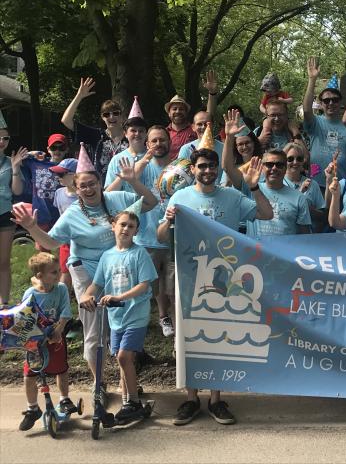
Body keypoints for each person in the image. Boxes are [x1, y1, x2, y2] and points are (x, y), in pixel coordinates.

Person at [11, 149, 156, 403]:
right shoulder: (72, 215)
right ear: (76, 190)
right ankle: (98, 385)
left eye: (92, 184)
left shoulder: (117, 198)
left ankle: (126, 384)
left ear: (100, 183)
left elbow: (151, 203)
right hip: (87, 274)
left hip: (118, 269)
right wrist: (32, 228)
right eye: (83, 186)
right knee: (94, 331)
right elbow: (52, 243)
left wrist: (133, 180)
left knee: (119, 325)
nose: (88, 189)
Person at [157, 148, 272, 426]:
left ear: (217, 169)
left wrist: (254, 186)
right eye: (202, 166)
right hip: (188, 278)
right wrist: (170, 220)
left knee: (219, 335)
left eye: (212, 166)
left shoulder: (232, 197)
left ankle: (216, 400)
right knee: (188, 336)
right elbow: (161, 237)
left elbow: (266, 214)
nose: (207, 170)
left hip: (224, 278)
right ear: (193, 169)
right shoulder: (181, 198)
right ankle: (191, 398)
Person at [79, 209, 157, 423]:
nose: (125, 229)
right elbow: (97, 283)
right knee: (121, 359)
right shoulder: (107, 256)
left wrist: (119, 296)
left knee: (124, 357)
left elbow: (144, 285)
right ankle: (127, 400)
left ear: (136, 231)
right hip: (116, 318)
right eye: (122, 224)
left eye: (131, 227)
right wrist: (87, 295)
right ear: (113, 226)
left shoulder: (139, 254)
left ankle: (133, 402)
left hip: (136, 314)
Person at [222, 114, 311, 237]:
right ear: (262, 167)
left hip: (284, 255)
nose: (274, 168)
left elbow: (305, 236)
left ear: (286, 168)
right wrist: (229, 137)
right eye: (269, 164)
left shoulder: (299, 198)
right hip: (255, 254)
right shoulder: (251, 188)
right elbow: (228, 168)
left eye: (279, 165)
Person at [18, 253, 76, 431]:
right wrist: (34, 337)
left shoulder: (61, 289)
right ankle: (32, 408)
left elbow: (66, 312)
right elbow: (24, 318)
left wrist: (58, 331)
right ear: (39, 276)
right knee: (30, 374)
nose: (58, 274)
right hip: (35, 341)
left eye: (59, 270)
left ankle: (64, 399)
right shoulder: (30, 294)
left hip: (55, 336)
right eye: (53, 272)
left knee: (61, 369)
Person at [129, 126, 175, 337]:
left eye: (162, 140)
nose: (159, 144)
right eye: (154, 141)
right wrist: (146, 157)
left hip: (174, 236)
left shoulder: (177, 167)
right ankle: (162, 316)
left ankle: (174, 318)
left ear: (170, 142)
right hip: (147, 235)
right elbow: (132, 177)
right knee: (154, 285)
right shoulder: (144, 167)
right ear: (147, 144)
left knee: (171, 284)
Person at [302, 57, 346, 186]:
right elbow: (306, 110)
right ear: (320, 103)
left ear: (340, 102)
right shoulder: (315, 123)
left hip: (340, 187)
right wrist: (312, 80)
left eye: (334, 100)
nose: (330, 103)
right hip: (314, 185)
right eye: (326, 100)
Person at [60, 78, 128, 180]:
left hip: (127, 189)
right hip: (100, 190)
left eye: (115, 113)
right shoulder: (96, 135)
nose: (111, 117)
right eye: (106, 114)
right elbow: (66, 120)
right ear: (102, 117)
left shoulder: (132, 136)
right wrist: (79, 96)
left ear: (122, 116)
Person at [11, 133, 71, 239]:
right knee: (42, 251)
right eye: (53, 147)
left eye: (61, 148)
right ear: (48, 149)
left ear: (66, 150)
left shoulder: (69, 166)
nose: (57, 151)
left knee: (63, 247)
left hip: (62, 214)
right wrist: (35, 152)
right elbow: (19, 159)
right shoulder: (36, 162)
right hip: (40, 214)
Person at [165, 71, 219, 160]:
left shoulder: (195, 129)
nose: (178, 111)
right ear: (169, 113)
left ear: (186, 112)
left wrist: (212, 93)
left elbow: (208, 115)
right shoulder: (164, 133)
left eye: (181, 109)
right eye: (174, 109)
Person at [282, 141, 326, 231]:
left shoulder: (312, 184)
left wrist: (309, 210)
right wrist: (300, 198)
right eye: (290, 159)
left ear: (303, 161)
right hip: (285, 237)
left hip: (306, 237)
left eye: (299, 159)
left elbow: (323, 217)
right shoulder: (278, 183)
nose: (295, 162)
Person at [50, 158, 79, 292]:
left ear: (74, 175)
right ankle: (62, 300)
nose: (58, 177)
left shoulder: (83, 196)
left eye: (61, 174)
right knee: (64, 270)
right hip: (65, 241)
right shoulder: (58, 193)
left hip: (81, 241)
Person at [177, 111, 225, 183]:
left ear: (213, 125)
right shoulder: (186, 149)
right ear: (193, 127)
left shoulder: (224, 148)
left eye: (207, 124)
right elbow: (180, 177)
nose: (203, 127)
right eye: (199, 124)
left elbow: (227, 174)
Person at [0, 120, 15, 305]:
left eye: (6, 138)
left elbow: (18, 191)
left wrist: (17, 168)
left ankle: (3, 304)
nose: (2, 141)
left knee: (3, 261)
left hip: (5, 214)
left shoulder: (12, 162)